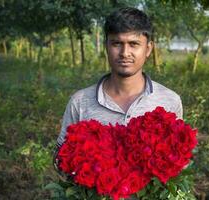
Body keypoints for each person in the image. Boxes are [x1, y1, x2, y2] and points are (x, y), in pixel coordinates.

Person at [54, 7, 183, 173]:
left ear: (148, 49)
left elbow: (177, 163)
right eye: (117, 43)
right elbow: (60, 160)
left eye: (134, 44)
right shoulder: (80, 102)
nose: (124, 53)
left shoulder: (169, 101)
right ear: (106, 46)